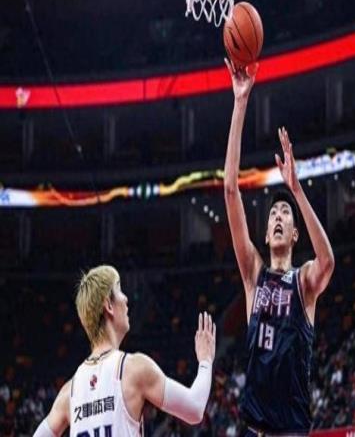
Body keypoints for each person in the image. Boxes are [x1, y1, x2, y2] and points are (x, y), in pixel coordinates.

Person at [223, 59, 335, 436]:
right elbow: (230, 191)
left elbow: (327, 261)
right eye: (273, 213)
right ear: (268, 235)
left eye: (285, 213)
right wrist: (240, 103)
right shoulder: (253, 275)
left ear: (294, 233)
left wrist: (296, 190)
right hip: (256, 428)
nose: (278, 216)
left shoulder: (303, 282)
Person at [33, 265, 215, 437]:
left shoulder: (69, 392)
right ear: (108, 305)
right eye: (119, 290)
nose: (126, 298)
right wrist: (205, 361)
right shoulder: (134, 369)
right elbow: (195, 409)